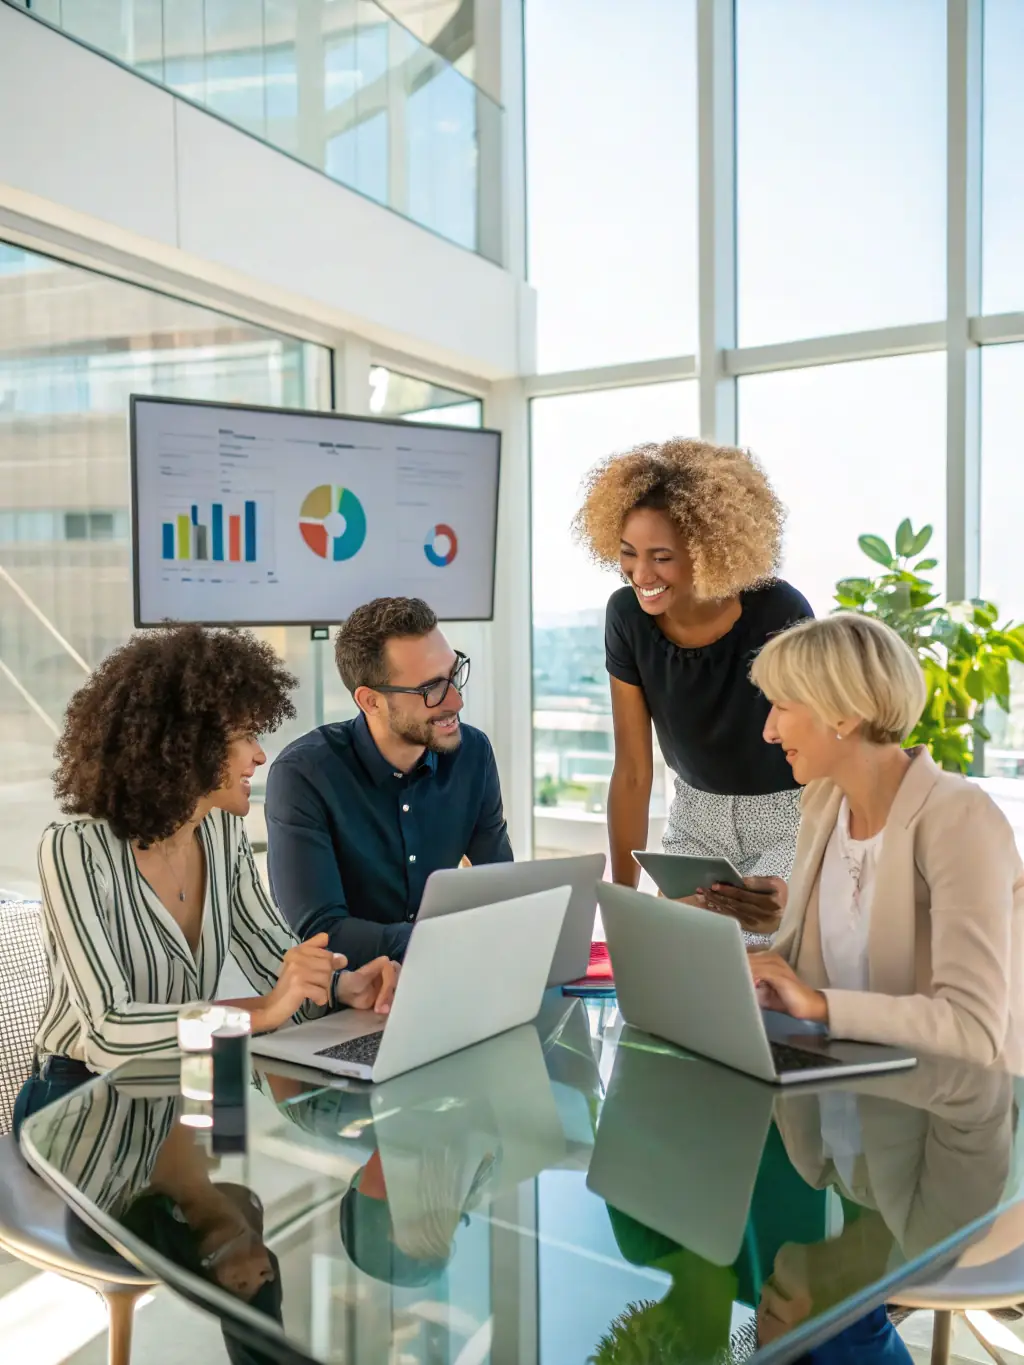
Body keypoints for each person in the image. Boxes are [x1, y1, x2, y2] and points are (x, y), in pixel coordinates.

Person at [14, 625, 396, 1138]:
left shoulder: (220, 831)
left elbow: (271, 957)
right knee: (221, 1207)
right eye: (245, 737)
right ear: (185, 745)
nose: (260, 756)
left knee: (249, 1196)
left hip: (190, 1073)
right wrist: (264, 1010)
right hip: (81, 1097)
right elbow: (108, 1033)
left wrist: (341, 985)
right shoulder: (75, 849)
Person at [703, 612, 1024, 1070]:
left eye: (783, 707)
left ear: (844, 712)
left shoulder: (959, 818)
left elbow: (972, 1028)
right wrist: (712, 943)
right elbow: (805, 968)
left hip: (945, 1117)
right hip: (837, 1106)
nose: (769, 731)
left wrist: (818, 1004)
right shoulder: (824, 804)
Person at [573, 438, 812, 942]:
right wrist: (624, 904)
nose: (642, 575)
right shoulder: (626, 617)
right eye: (629, 554)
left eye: (662, 557)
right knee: (664, 960)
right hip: (694, 819)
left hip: (786, 815)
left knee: (754, 969)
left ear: (709, 552)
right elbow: (634, 772)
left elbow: (816, 736)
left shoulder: (778, 611)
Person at [265, 597, 512, 968]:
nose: (457, 701)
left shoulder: (472, 753)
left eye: (454, 674)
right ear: (371, 701)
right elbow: (321, 932)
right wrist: (445, 940)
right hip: (345, 1002)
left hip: (447, 978)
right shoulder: (304, 775)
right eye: (432, 689)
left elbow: (501, 887)